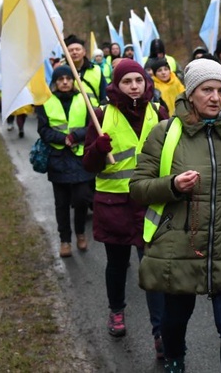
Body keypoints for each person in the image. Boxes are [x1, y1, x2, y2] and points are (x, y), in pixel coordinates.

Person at [130, 58, 221, 373]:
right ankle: (174, 358)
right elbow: (137, 188)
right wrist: (172, 185)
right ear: (191, 92)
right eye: (207, 90)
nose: (216, 98)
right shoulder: (165, 133)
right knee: (174, 320)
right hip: (180, 246)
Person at [82, 59, 169, 356]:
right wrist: (97, 149)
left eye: (138, 80)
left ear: (146, 83)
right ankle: (116, 310)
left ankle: (160, 333)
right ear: (116, 85)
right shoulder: (100, 115)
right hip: (114, 206)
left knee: (152, 268)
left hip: (150, 203)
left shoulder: (159, 113)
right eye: (127, 82)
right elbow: (89, 165)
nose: (134, 86)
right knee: (117, 265)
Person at [37, 65, 94, 258]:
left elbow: (92, 126)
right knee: (61, 203)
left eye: (68, 79)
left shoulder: (83, 98)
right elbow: (43, 130)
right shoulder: (46, 102)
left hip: (80, 158)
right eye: (60, 79)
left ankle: (80, 232)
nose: (64, 82)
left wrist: (75, 136)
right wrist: (63, 139)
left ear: (73, 80)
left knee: (82, 198)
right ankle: (65, 240)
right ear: (54, 82)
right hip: (58, 158)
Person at [64, 34, 107, 106]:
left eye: (77, 49)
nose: (74, 52)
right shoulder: (62, 72)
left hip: (95, 113)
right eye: (70, 50)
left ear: (84, 52)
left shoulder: (96, 70)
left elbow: (104, 95)